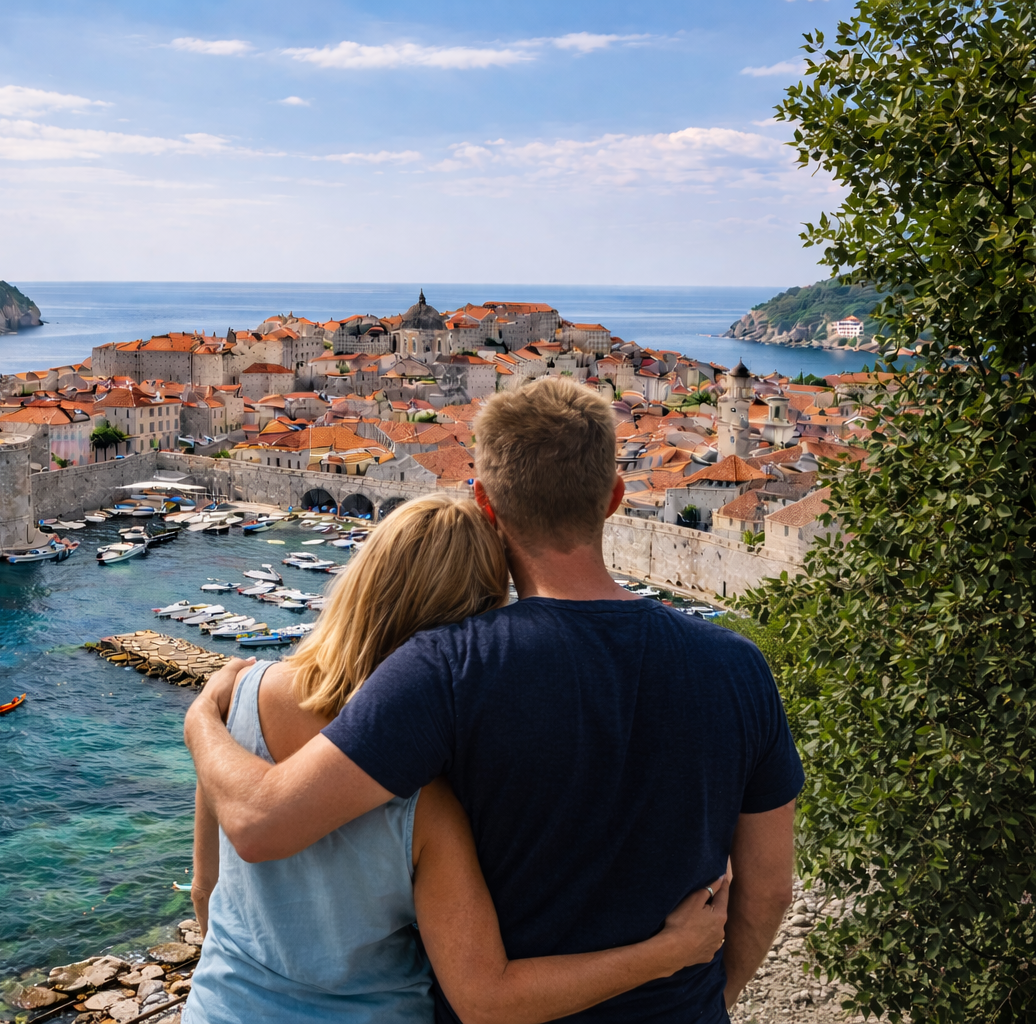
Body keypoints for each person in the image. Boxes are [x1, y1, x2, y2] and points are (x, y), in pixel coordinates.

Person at [186, 377, 803, 1023]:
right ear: (615, 498)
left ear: (484, 500)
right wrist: (706, 997)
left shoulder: (447, 669)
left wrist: (204, 716)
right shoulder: (740, 667)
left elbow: (264, 824)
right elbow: (768, 892)